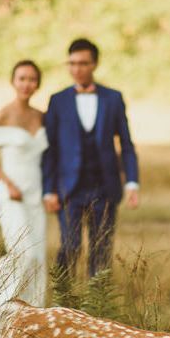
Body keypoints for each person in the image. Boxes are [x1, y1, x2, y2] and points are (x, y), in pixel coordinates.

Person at [42, 38, 139, 278]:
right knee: (71, 246)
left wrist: (132, 182)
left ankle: (96, 308)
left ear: (94, 64)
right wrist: (49, 190)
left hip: (105, 188)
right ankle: (63, 300)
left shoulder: (113, 98)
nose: (77, 69)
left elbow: (126, 144)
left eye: (83, 63)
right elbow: (50, 149)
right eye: (72, 63)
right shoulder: (58, 100)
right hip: (69, 190)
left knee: (101, 251)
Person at [0, 60, 48, 314]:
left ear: (37, 84)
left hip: (36, 194)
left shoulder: (41, 117)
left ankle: (31, 313)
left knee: (39, 258)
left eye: (32, 79)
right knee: (23, 252)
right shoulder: (3, 115)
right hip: (12, 193)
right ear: (13, 81)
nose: (27, 84)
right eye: (22, 78)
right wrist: (8, 183)